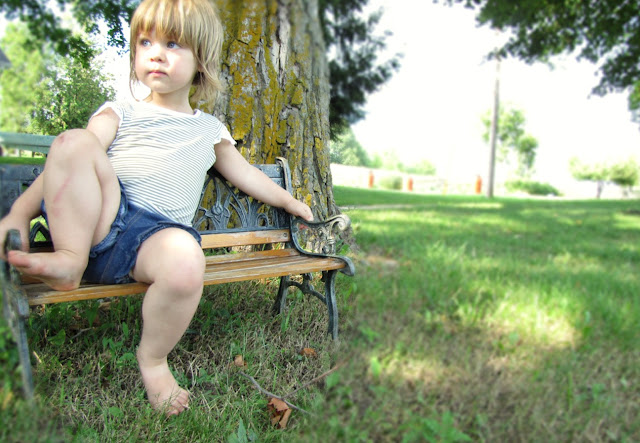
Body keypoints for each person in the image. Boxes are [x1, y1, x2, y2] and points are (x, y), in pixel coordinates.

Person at [0, 0, 313, 416]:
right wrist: (20, 213)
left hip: (154, 242)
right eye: (145, 42)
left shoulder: (209, 129)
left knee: (186, 259)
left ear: (201, 61)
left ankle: (153, 359)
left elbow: (247, 175)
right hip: (102, 222)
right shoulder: (120, 112)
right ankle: (69, 261)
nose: (156, 54)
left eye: (173, 44)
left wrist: (290, 201)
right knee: (73, 141)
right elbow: (69, 164)